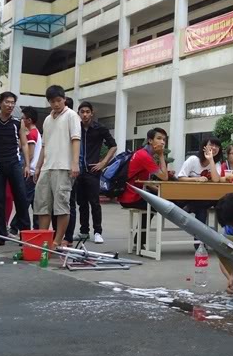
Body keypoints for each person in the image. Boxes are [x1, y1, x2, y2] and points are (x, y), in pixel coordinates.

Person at [33, 85, 80, 247]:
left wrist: (74, 164)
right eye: (53, 101)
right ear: (49, 103)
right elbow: (44, 145)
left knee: (61, 206)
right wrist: (38, 167)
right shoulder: (47, 120)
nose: (56, 104)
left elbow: (76, 140)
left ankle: (57, 241)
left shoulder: (72, 115)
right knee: (42, 206)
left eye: (59, 100)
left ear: (64, 99)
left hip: (64, 167)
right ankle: (43, 239)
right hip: (47, 167)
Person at [0, 92, 31, 247]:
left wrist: (27, 165)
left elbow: (24, 144)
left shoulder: (18, 123)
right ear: (0, 104)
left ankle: (25, 235)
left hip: (14, 164)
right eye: (7, 102)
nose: (10, 105)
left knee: (21, 199)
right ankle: (0, 235)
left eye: (12, 103)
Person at [71, 101, 116, 244]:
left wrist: (103, 163)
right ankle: (84, 232)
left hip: (92, 170)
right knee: (81, 203)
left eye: (87, 112)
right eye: (82, 112)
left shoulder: (99, 128)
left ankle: (98, 232)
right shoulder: (75, 128)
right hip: (78, 171)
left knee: (94, 203)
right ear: (78, 113)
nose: (84, 114)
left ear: (92, 113)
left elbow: (113, 146)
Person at [119, 128, 169, 248]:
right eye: (159, 138)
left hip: (132, 194)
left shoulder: (143, 153)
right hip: (130, 197)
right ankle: (140, 243)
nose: (162, 142)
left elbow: (143, 182)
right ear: (150, 140)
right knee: (157, 205)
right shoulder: (144, 156)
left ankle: (139, 242)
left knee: (158, 202)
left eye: (164, 139)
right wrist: (162, 155)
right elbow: (164, 177)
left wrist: (162, 192)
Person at [11, 106, 41, 235]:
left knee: (24, 200)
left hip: (29, 172)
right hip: (33, 172)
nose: (21, 120)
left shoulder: (32, 133)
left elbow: (30, 154)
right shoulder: (34, 132)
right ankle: (37, 227)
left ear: (28, 120)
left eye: (22, 118)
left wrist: (25, 168)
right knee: (33, 202)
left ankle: (14, 226)